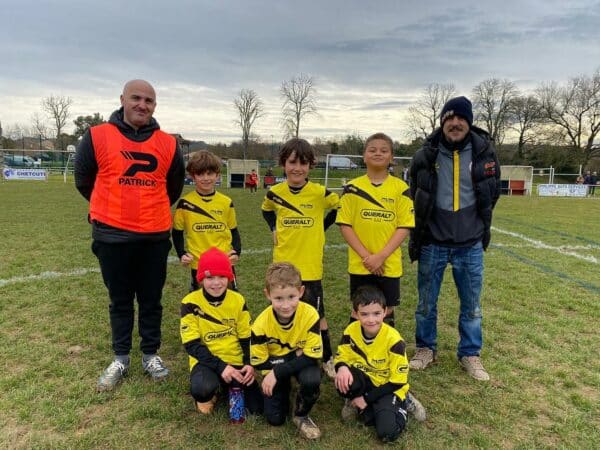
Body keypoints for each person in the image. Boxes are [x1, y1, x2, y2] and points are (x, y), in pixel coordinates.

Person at [74, 79, 185, 391]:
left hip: (153, 237)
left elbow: (173, 187)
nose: (142, 104)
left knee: (151, 300)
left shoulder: (168, 143)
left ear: (155, 106)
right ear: (122, 99)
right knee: (120, 300)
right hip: (112, 237)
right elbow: (84, 180)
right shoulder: (97, 136)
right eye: (136, 98)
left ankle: (151, 355)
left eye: (149, 100)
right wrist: (109, 207)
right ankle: (121, 358)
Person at [408, 96, 500, 381]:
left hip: (470, 244)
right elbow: (416, 194)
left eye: (460, 118)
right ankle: (425, 349)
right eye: (450, 118)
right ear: (442, 122)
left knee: (471, 305)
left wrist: (475, 224)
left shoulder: (485, 152)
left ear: (469, 121)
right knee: (425, 303)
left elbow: (492, 192)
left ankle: (470, 354)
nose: (455, 123)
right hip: (433, 242)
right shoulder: (425, 154)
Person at [261, 138, 339, 378]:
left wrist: (321, 228)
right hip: (282, 268)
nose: (297, 168)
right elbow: (266, 210)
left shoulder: (318, 193)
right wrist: (274, 228)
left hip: (310, 267)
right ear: (284, 163)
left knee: (318, 316)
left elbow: (339, 207)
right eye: (292, 162)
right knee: (282, 312)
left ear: (310, 166)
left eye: (303, 163)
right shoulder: (275, 193)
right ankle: (282, 355)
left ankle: (326, 358)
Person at [336, 132, 414, 327]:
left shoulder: (401, 188)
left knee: (386, 309)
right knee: (359, 308)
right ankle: (352, 352)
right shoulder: (352, 188)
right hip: (360, 263)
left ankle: (387, 352)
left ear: (391, 158)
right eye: (372, 150)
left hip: (389, 264)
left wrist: (381, 256)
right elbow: (345, 225)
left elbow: (404, 226)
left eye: (384, 150)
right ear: (364, 156)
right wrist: (367, 257)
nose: (378, 153)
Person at [334, 286, 426, 442]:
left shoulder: (394, 340)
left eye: (376, 313)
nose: (371, 319)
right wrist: (341, 367)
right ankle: (355, 400)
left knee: (386, 433)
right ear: (356, 314)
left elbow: (398, 381)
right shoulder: (351, 330)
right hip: (365, 379)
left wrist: (367, 399)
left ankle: (404, 401)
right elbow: (342, 355)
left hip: (388, 386)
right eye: (364, 314)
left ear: (385, 312)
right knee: (343, 381)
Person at [180, 247, 262, 416]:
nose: (216, 283)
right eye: (210, 277)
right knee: (202, 389)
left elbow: (247, 337)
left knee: (257, 409)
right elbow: (192, 345)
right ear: (201, 279)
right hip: (206, 361)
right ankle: (211, 391)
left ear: (229, 278)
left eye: (222, 277)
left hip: (235, 358)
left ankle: (228, 384)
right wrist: (222, 367)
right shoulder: (190, 303)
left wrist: (248, 363)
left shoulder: (237, 300)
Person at [250, 262, 323, 440]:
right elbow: (259, 362)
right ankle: (286, 386)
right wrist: (291, 358)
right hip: (279, 366)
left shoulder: (311, 314)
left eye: (291, 297)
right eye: (279, 298)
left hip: (287, 365)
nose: (286, 305)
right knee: (275, 419)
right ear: (268, 295)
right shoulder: (260, 324)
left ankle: (301, 415)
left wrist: (278, 369)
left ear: (301, 292)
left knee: (312, 379)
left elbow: (312, 356)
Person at [172, 150, 241, 292]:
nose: (205, 178)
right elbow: (177, 232)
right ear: (192, 176)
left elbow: (234, 230)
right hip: (199, 264)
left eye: (210, 174)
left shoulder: (226, 202)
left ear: (217, 175)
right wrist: (181, 253)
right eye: (200, 174)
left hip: (224, 262)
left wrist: (236, 252)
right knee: (201, 305)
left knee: (230, 302)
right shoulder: (185, 203)